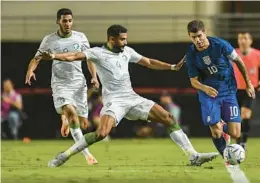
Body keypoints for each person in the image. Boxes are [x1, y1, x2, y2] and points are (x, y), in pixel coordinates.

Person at [40, 24, 219, 167]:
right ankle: (64, 155)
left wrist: (171, 67)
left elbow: (148, 62)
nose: (125, 42)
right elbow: (73, 56)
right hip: (114, 102)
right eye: (122, 39)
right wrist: (55, 55)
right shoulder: (97, 53)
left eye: (126, 39)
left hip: (131, 98)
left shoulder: (127, 51)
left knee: (168, 117)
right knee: (101, 133)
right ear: (111, 39)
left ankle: (193, 156)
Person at [25, 8, 98, 165]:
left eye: (70, 21)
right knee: (72, 114)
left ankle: (65, 119)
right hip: (60, 84)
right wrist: (30, 71)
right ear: (58, 21)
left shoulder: (81, 38)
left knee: (84, 124)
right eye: (64, 21)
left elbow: (89, 59)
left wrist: (94, 77)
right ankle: (88, 156)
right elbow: (36, 59)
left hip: (79, 83)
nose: (67, 24)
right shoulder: (50, 40)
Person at [184, 20, 255, 159]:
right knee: (215, 130)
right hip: (208, 94)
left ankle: (224, 129)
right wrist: (205, 88)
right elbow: (193, 81)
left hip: (228, 90)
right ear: (189, 36)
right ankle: (226, 155)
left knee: (236, 133)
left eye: (199, 36)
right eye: (194, 37)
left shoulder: (220, 45)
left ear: (204, 32)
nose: (198, 40)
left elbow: (238, 61)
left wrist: (248, 83)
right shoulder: (191, 55)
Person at [233, 32, 260, 149]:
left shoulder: (257, 54)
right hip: (234, 89)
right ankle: (238, 140)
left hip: (250, 89)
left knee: (245, 113)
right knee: (235, 116)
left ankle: (242, 141)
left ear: (250, 40)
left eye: (245, 38)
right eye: (240, 38)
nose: (243, 41)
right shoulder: (233, 54)